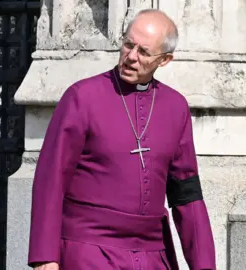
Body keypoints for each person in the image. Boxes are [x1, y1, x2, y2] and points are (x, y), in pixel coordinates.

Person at [28, 9, 216, 270]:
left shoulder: (176, 108)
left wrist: (204, 265)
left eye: (144, 52)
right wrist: (45, 257)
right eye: (128, 44)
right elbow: (51, 179)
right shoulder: (82, 97)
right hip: (88, 251)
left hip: (152, 257)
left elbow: (187, 194)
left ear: (164, 60)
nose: (131, 57)